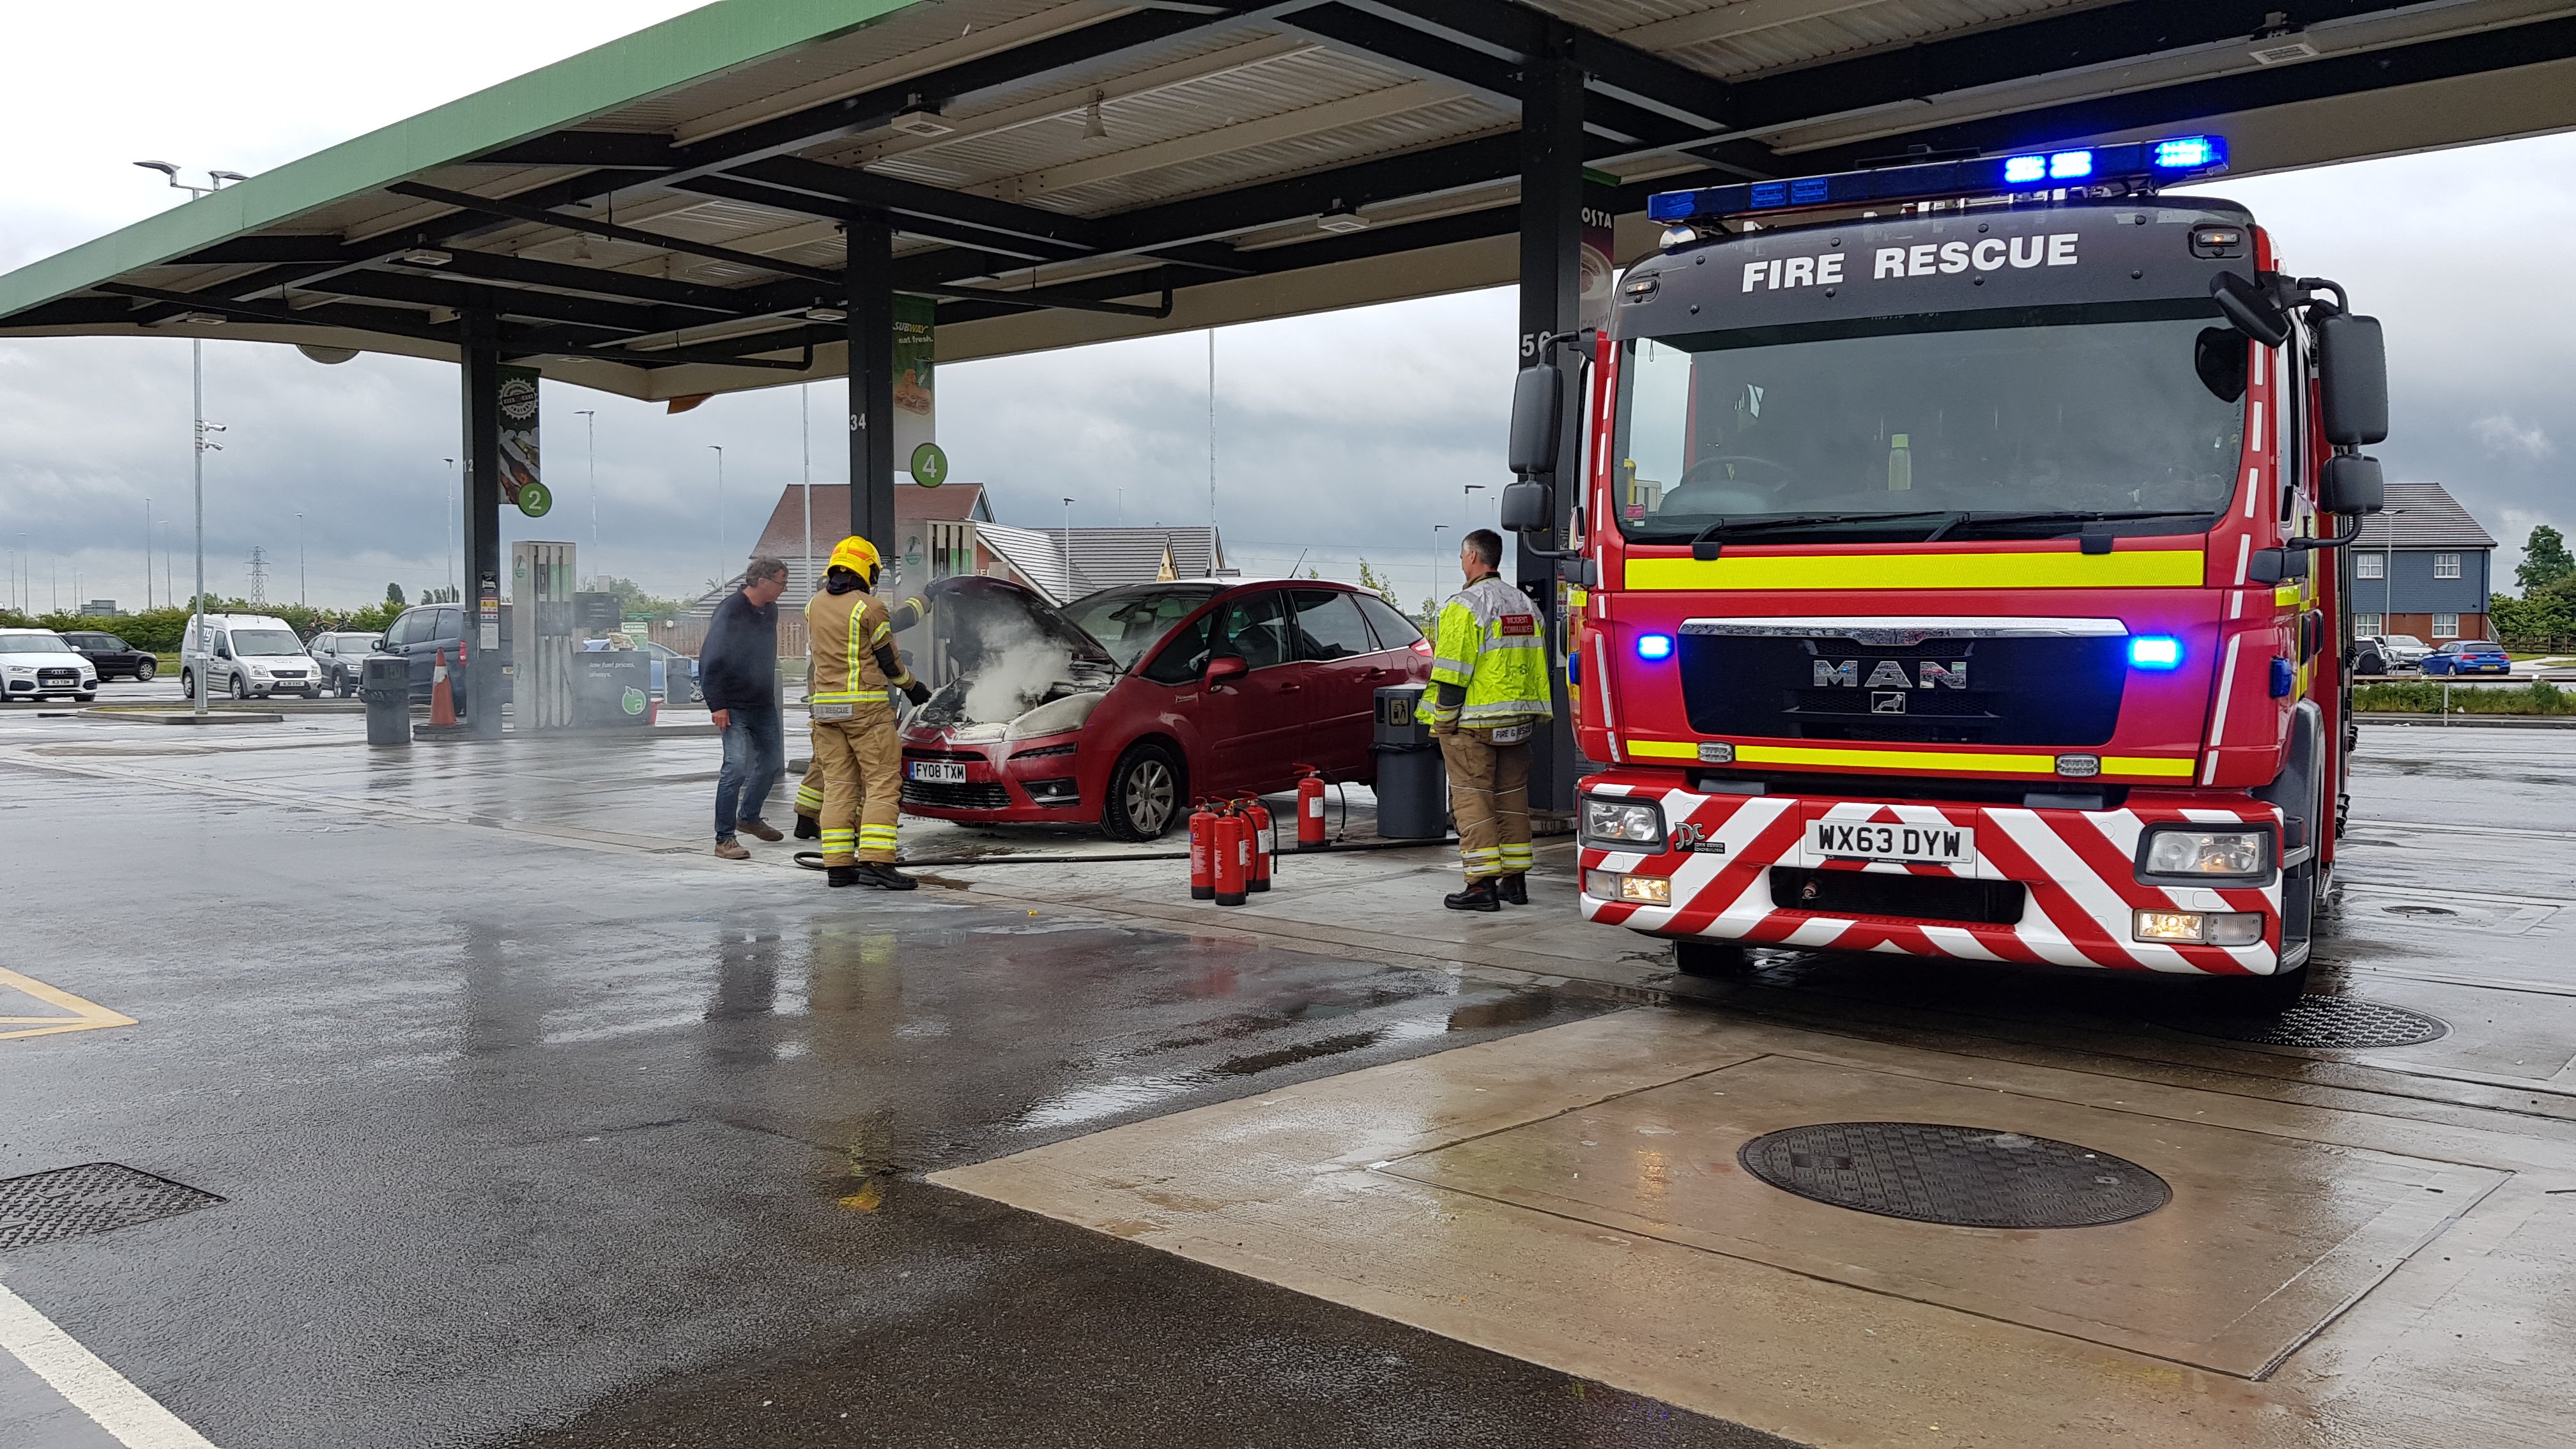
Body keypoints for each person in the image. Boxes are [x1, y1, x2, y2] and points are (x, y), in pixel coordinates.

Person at [1418, 528, 1550, 911]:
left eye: (1462, 557)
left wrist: (1443, 722)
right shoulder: (1526, 605)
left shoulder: (1466, 606)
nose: (1461, 564)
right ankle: (1516, 883)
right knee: (1511, 800)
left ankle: (1481, 886)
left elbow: (1453, 673)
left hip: (1473, 726)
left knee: (1472, 801)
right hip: (1518, 724)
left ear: (1473, 557)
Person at [807, 536, 931, 889]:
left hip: (826, 712)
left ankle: (839, 867)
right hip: (866, 711)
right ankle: (877, 862)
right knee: (881, 783)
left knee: (838, 786)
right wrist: (913, 688)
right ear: (868, 570)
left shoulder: (813, 605)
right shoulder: (869, 607)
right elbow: (889, 660)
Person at [793, 586, 931, 839]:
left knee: (832, 775)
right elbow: (895, 625)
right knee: (876, 776)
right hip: (864, 707)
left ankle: (814, 823)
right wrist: (926, 597)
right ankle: (868, 838)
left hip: (826, 710)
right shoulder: (861, 608)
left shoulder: (819, 613)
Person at [702, 556, 790, 860]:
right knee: (735, 767)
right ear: (762, 581)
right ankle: (724, 838)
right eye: (781, 582)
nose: (784, 588)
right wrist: (718, 704)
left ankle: (749, 816)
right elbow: (711, 659)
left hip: (762, 703)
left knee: (770, 761)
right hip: (733, 705)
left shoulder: (771, 610)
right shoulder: (730, 611)